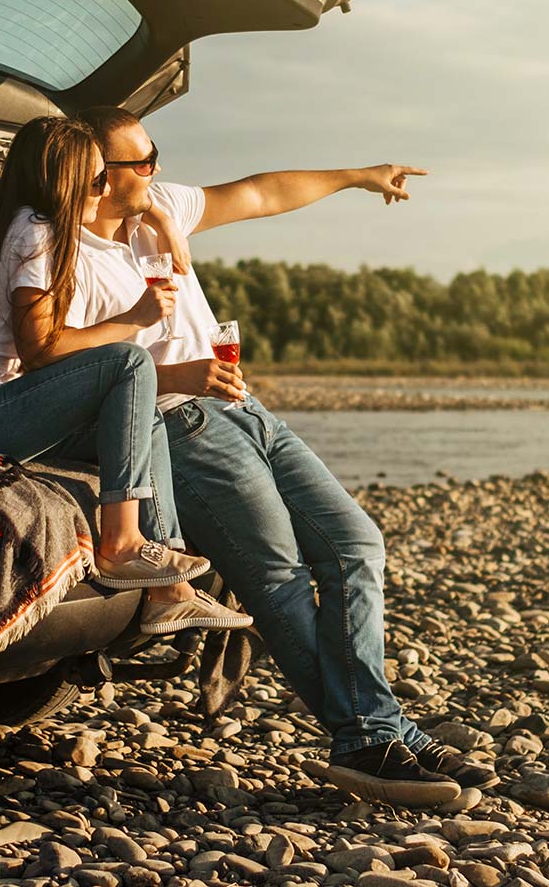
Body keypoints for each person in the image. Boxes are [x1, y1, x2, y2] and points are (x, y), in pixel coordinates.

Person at [66, 105, 498, 807]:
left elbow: (262, 192)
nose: (156, 170)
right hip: (180, 427)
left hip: (247, 410)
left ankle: (377, 727)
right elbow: (67, 364)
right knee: (278, 578)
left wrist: (360, 175)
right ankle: (372, 739)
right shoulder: (68, 251)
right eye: (140, 162)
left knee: (356, 541)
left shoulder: (162, 209)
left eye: (155, 154)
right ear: (95, 177)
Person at [0, 116, 249, 635]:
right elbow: (39, 349)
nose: (104, 191)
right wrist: (134, 321)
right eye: (97, 179)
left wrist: (164, 222)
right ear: (66, 182)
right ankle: (121, 545)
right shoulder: (37, 231)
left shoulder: (8, 217)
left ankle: (167, 582)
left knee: (140, 405)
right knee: (131, 362)